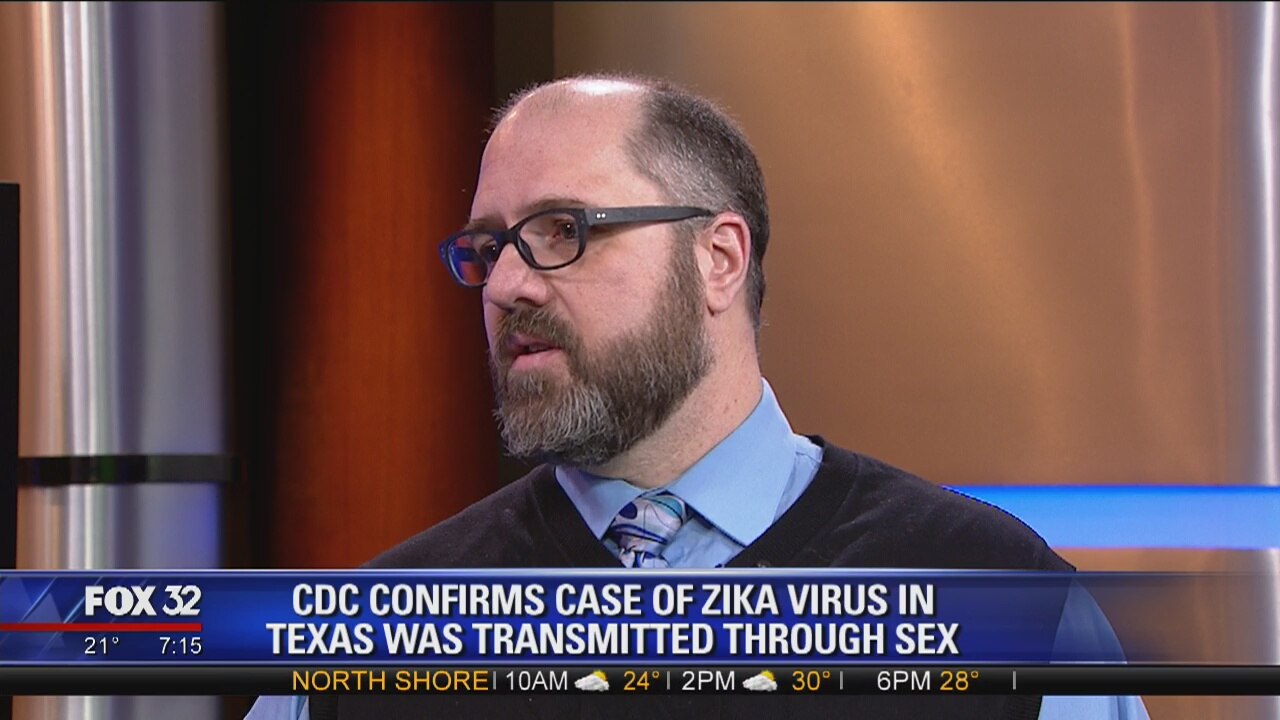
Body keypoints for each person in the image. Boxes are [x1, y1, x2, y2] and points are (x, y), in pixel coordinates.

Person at [249, 73, 1146, 720]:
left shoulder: (1000, 603)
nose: (507, 285)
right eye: (490, 248)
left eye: (562, 230)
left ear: (718, 259)